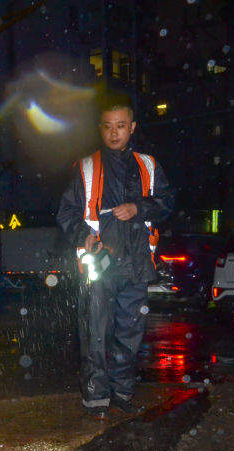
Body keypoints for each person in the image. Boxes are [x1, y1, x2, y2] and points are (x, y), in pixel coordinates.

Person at [55, 103, 174, 418]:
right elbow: (66, 212)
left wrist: (138, 208)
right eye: (107, 126)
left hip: (136, 267)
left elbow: (166, 202)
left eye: (121, 125)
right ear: (100, 128)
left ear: (132, 127)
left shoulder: (148, 164)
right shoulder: (86, 167)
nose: (113, 132)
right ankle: (96, 400)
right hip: (99, 266)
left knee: (129, 336)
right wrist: (84, 236)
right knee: (95, 333)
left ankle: (122, 394)